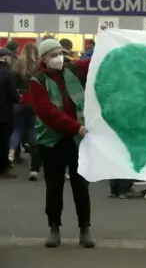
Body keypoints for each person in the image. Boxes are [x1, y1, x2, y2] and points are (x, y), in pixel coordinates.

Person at [29, 39, 94, 248]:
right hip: (52, 140)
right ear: (44, 59)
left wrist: (104, 37)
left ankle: (85, 228)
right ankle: (54, 227)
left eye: (61, 53)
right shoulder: (37, 81)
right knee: (54, 186)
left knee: (81, 185)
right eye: (55, 54)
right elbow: (46, 112)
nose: (60, 58)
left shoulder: (73, 71)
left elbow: (97, 60)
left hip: (76, 139)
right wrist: (75, 126)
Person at [9, 43, 42, 181]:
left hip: (20, 101)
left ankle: (10, 154)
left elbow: (13, 85)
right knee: (32, 129)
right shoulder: (38, 67)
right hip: (34, 101)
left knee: (17, 130)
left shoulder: (17, 65)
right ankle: (33, 161)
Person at [0, 47, 20, 178]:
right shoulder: (7, 73)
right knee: (3, 142)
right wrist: (18, 97)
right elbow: (13, 95)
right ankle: (3, 168)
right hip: (4, 113)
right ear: (6, 57)